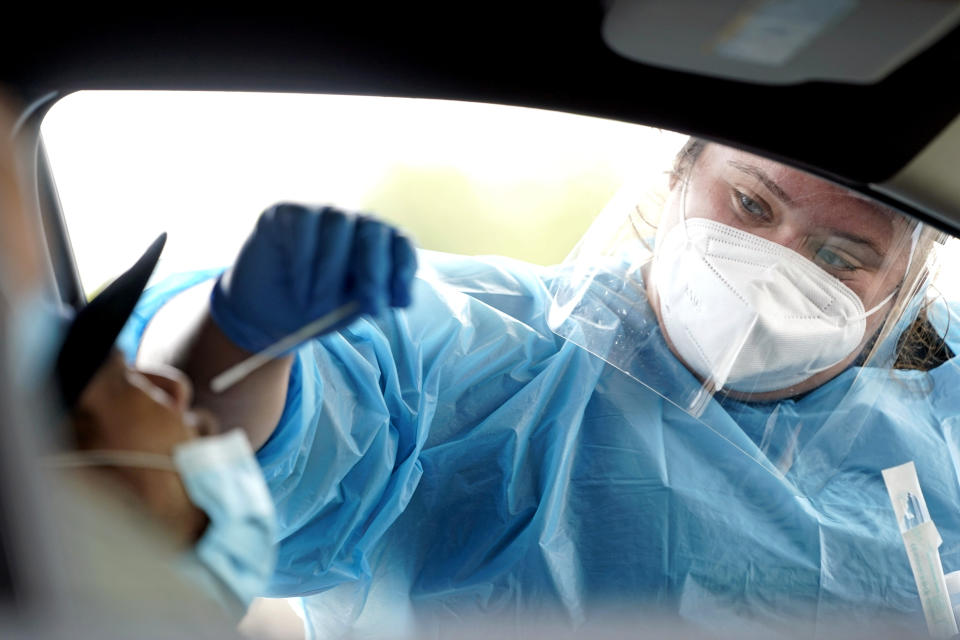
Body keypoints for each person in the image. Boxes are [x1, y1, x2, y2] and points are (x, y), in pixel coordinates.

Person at [129, 138, 960, 638]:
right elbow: (243, 447)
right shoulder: (483, 353)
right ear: (679, 172)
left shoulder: (941, 413)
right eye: (748, 203)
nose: (774, 267)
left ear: (909, 284)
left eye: (841, 257)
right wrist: (241, 336)